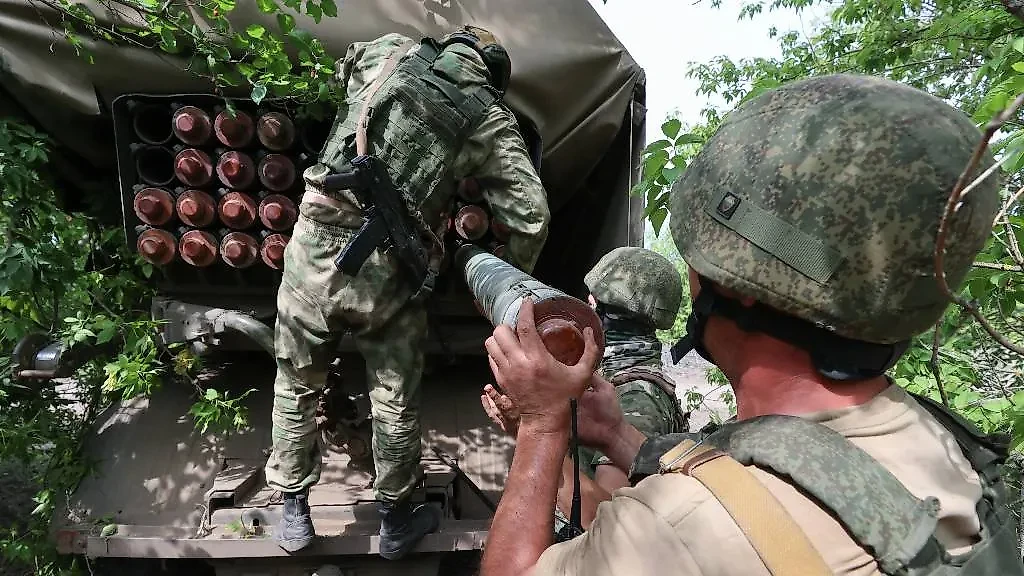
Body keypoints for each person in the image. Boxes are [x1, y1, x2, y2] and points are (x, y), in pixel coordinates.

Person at [478, 74, 1024, 576]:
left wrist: (542, 425)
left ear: (738, 287)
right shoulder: (942, 444)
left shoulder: (683, 528)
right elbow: (799, 471)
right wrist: (616, 435)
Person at [265, 27, 550, 557]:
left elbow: (346, 72)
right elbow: (531, 216)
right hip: (389, 268)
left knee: (296, 379)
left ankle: (293, 514)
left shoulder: (387, 48)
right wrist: (505, 283)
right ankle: (396, 520)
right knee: (393, 393)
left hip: (313, 243)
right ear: (491, 73)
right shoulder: (488, 116)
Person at [481, 246, 687, 530]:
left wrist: (533, 432)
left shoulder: (635, 398)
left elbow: (603, 521)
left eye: (593, 301)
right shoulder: (616, 376)